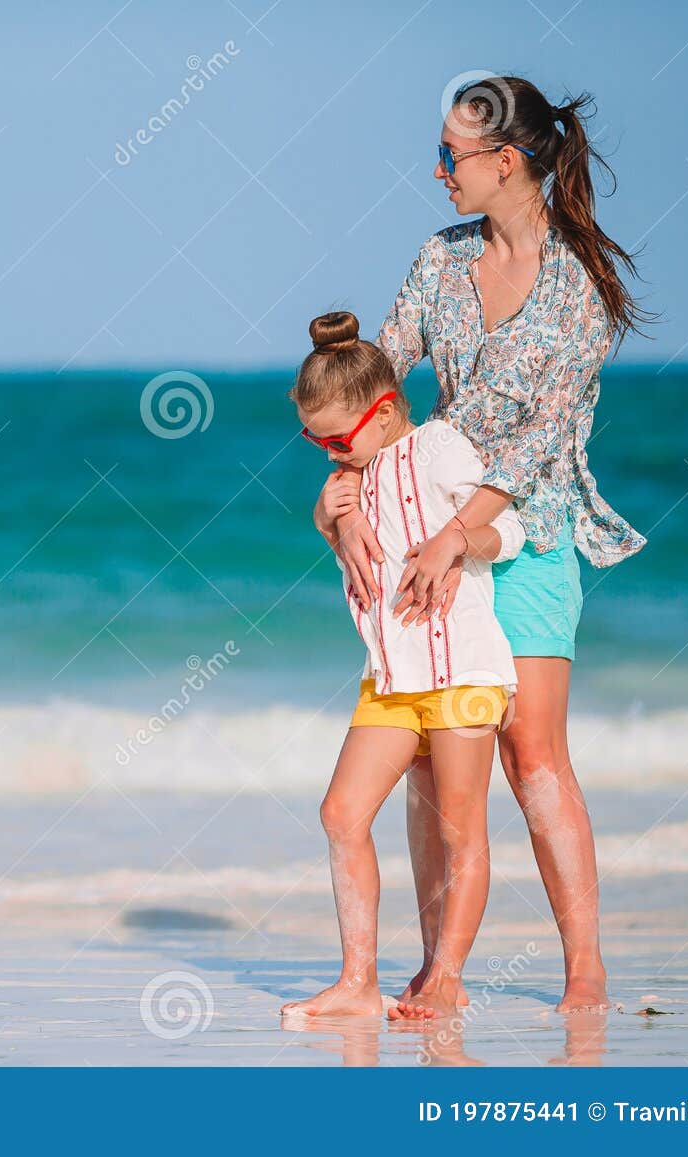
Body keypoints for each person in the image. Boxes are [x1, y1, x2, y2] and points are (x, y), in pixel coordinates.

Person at [318, 76, 649, 1014]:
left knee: (532, 751)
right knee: (431, 746)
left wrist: (460, 540)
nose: (436, 170)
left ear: (507, 161)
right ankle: (441, 966)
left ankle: (583, 966)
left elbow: (541, 442)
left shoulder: (580, 287)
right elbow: (376, 375)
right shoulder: (440, 258)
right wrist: (341, 490)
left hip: (530, 532)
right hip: (430, 524)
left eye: (451, 156)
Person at [282, 311, 524, 1021]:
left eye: (337, 438)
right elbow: (360, 571)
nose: (328, 452)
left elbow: (510, 529)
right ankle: (358, 979)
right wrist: (328, 523)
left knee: (459, 829)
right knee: (341, 813)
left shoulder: (442, 449)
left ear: (384, 413)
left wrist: (457, 543)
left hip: (463, 674)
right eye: (314, 439)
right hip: (390, 679)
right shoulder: (345, 481)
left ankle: (445, 977)